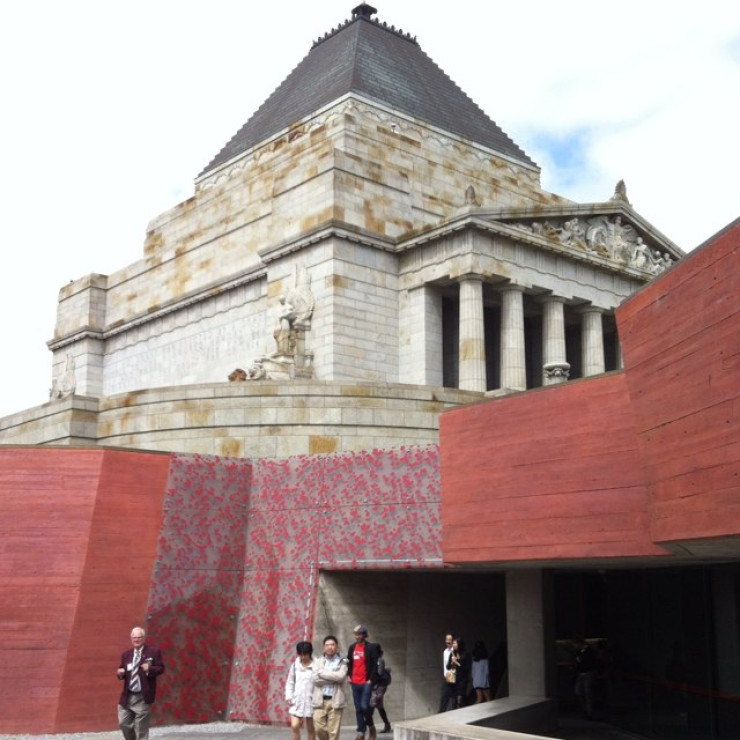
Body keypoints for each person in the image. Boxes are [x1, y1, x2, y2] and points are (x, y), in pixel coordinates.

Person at [116, 626, 165, 740]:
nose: (136, 640)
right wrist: (120, 673)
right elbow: (122, 671)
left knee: (141, 729)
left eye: (139, 637)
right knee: (124, 724)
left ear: (143, 638)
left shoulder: (153, 652)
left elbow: (161, 668)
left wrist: (149, 669)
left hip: (143, 696)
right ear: (131, 638)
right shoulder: (126, 655)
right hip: (127, 696)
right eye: (134, 638)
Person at [347, 625, 381, 740]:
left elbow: (375, 665)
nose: (357, 636)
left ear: (364, 635)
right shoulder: (352, 648)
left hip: (366, 682)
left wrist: (370, 680)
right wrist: (348, 676)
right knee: (358, 708)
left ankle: (371, 726)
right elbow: (349, 662)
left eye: (359, 634)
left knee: (364, 706)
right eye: (355, 634)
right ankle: (361, 732)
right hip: (355, 682)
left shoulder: (370, 647)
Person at [312, 635, 349, 740]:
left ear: (336, 646)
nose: (330, 647)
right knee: (318, 728)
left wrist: (322, 673)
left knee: (333, 732)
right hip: (320, 700)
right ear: (324, 647)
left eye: (332, 645)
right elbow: (315, 679)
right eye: (327, 645)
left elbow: (341, 677)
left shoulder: (343, 661)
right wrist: (334, 677)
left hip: (335, 700)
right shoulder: (318, 661)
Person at [286, 641, 316, 740]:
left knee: (311, 728)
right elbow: (290, 682)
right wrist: (289, 696)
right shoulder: (295, 666)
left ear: (310, 653)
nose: (303, 657)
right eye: (300, 654)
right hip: (297, 700)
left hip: (311, 701)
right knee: (295, 726)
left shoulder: (316, 665)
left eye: (305, 654)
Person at [572, 637, 597, 720]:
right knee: (578, 691)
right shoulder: (578, 651)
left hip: (588, 673)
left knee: (587, 692)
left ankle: (589, 712)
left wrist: (580, 663)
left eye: (575, 645)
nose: (574, 646)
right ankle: (585, 710)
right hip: (581, 673)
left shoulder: (589, 651)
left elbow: (589, 662)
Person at [370, 644, 392, 733]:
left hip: (380, 685)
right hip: (376, 685)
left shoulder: (380, 660)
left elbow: (379, 673)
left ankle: (368, 725)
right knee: (379, 706)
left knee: (372, 704)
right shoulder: (373, 660)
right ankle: (387, 724)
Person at [438, 633, 457, 712]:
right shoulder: (445, 652)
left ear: (453, 641)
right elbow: (445, 665)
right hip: (447, 676)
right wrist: (445, 675)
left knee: (452, 696)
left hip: (454, 676)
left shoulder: (455, 651)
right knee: (446, 696)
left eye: (450, 640)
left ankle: (453, 712)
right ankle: (441, 712)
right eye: (446, 640)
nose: (448, 642)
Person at [451, 638, 470, 708]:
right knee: (454, 700)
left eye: (455, 643)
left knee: (460, 699)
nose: (453, 645)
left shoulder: (466, 654)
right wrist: (452, 662)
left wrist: (457, 663)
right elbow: (448, 666)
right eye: (453, 643)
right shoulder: (453, 654)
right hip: (454, 678)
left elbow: (467, 668)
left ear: (459, 644)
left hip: (463, 679)